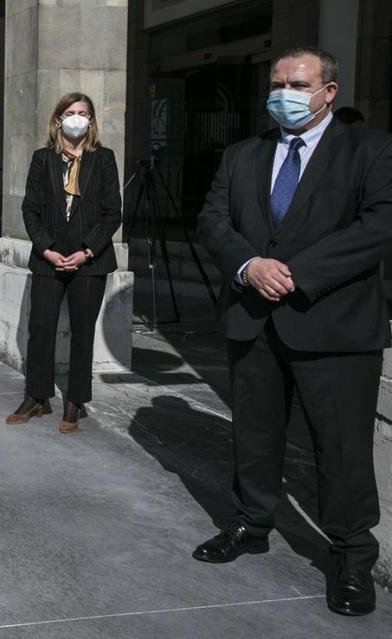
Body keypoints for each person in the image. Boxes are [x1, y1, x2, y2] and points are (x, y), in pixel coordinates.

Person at [196, 46, 392, 617]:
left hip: (334, 326)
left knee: (342, 446)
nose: (284, 94)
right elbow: (212, 220)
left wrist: (297, 274)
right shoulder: (242, 154)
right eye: (277, 83)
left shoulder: (371, 149)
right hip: (253, 318)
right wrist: (248, 265)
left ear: (329, 92)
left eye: (299, 85)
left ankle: (351, 555)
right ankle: (251, 523)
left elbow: (379, 224)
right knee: (255, 434)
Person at [7, 92, 122, 433]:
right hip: (49, 259)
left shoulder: (103, 158)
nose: (77, 118)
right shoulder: (43, 159)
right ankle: (36, 396)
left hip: (90, 261)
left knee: (82, 334)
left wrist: (87, 251)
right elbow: (30, 209)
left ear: (91, 120)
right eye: (70, 112)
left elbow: (112, 213)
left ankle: (75, 401)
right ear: (58, 119)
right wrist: (46, 249)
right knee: (40, 329)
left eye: (83, 113)